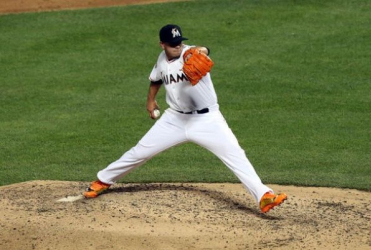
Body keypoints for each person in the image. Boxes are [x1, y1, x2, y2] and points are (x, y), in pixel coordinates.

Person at [84, 24, 287, 213]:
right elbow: (155, 80)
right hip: (174, 120)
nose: (177, 46)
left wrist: (201, 51)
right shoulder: (162, 59)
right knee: (140, 151)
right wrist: (150, 101)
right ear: (162, 44)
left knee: (235, 155)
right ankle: (103, 180)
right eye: (172, 44)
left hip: (208, 121)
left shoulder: (189, 53)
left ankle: (264, 196)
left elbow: (203, 50)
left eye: (179, 42)